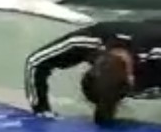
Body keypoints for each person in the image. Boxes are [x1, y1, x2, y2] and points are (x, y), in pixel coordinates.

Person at [24, 17, 161, 123]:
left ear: (131, 80)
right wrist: (41, 110)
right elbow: (35, 62)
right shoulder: (88, 41)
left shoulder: (154, 57)